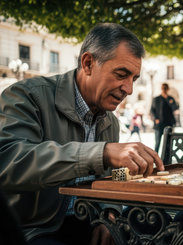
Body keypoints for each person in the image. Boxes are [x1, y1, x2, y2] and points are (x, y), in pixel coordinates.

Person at [0, 23, 164, 245]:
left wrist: (109, 215)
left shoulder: (110, 121)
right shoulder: (26, 96)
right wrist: (101, 153)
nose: (129, 89)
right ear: (88, 63)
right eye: (121, 74)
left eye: (133, 79)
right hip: (34, 230)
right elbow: (9, 161)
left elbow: (112, 180)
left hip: (88, 223)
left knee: (159, 229)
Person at [151, 83, 179, 152]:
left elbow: (175, 108)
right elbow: (152, 110)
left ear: (168, 89)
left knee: (168, 143)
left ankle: (166, 160)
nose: (164, 89)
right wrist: (155, 119)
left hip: (169, 124)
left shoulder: (170, 99)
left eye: (165, 88)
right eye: (163, 88)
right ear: (161, 88)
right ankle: (155, 160)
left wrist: (169, 101)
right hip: (159, 124)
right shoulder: (156, 99)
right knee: (157, 143)